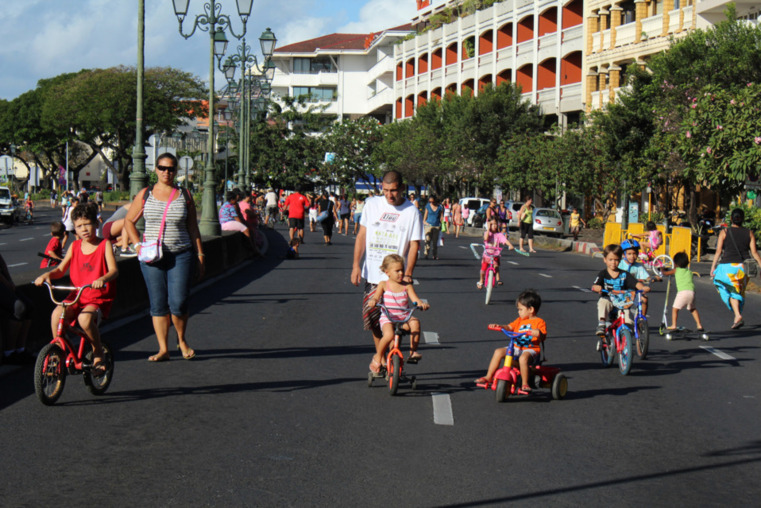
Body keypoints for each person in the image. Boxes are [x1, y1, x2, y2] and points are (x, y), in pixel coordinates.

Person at [123, 152, 204, 362]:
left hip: (181, 254)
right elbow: (129, 221)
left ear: (176, 171)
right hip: (152, 257)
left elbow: (193, 227)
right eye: (162, 168)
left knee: (178, 302)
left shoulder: (184, 195)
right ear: (155, 169)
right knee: (158, 304)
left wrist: (200, 254)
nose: (166, 172)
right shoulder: (145, 194)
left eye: (170, 169)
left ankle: (181, 339)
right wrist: (137, 245)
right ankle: (162, 349)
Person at [34, 203, 118, 373]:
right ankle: (58, 351)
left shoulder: (104, 245)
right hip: (77, 294)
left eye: (87, 224)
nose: (84, 229)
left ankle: (97, 351)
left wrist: (102, 279)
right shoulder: (74, 246)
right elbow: (60, 269)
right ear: (75, 229)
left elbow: (114, 270)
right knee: (57, 315)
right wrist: (46, 275)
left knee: (85, 320)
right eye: (79, 226)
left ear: (96, 224)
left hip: (96, 296)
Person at [352, 170, 424, 361]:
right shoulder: (372, 204)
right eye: (385, 190)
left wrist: (408, 273)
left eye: (393, 191)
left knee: (396, 318)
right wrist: (356, 266)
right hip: (374, 275)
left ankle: (390, 356)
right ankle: (382, 357)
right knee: (374, 319)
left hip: (397, 278)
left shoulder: (412, 212)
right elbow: (362, 235)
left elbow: (415, 244)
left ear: (402, 188)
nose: (389, 195)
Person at [474, 289, 546, 395]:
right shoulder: (519, 320)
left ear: (530, 309)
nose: (518, 312)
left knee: (523, 358)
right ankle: (489, 376)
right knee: (498, 352)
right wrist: (499, 326)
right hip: (517, 347)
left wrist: (537, 333)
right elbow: (509, 327)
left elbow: (543, 335)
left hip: (531, 350)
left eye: (521, 309)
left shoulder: (539, 322)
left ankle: (525, 384)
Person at [366, 254, 429, 373]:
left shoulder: (407, 286)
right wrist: (373, 301)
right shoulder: (383, 284)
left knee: (415, 322)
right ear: (387, 272)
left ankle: (412, 352)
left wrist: (421, 304)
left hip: (404, 317)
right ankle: (378, 356)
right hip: (388, 318)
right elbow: (376, 297)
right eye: (397, 271)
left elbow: (415, 299)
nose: (401, 273)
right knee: (388, 335)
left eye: (402, 270)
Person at [710, 208, 761, 329]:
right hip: (743, 269)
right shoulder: (749, 233)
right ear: (743, 219)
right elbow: (754, 253)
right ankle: (737, 315)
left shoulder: (724, 232)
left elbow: (718, 252)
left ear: (731, 219)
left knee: (726, 288)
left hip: (726, 269)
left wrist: (713, 267)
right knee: (737, 292)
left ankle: (737, 315)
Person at [592, 244, 650, 338]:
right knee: (603, 303)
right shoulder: (603, 274)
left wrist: (643, 288)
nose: (613, 262)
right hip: (608, 298)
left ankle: (625, 343)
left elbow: (635, 283)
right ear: (605, 260)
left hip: (622, 301)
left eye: (616, 260)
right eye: (610, 260)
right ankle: (602, 324)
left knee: (627, 321)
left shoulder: (624, 274)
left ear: (620, 260)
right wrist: (596, 287)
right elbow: (595, 284)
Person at [0, 253, 35, 365]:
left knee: (28, 306)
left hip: (3, 281)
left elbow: (1, 262)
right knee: (19, 307)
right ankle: (9, 353)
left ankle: (21, 349)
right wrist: (7, 283)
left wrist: (9, 280)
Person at [661, 251, 704, 332]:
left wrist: (662, 269)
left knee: (675, 309)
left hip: (682, 293)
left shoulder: (676, 270)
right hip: (692, 293)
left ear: (676, 264)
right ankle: (699, 325)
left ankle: (674, 325)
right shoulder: (689, 272)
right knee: (693, 309)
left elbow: (665, 273)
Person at [477, 217, 515, 289]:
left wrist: (510, 245)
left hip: (495, 255)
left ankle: (498, 279)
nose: (494, 226)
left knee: (496, 266)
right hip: (487, 255)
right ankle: (481, 280)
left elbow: (505, 240)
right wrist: (488, 229)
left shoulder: (499, 235)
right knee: (483, 270)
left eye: (495, 224)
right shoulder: (487, 233)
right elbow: (485, 238)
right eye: (492, 224)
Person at [219, 191, 259, 256]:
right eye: (235, 200)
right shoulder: (231, 206)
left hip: (223, 223)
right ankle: (251, 247)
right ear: (232, 200)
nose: (236, 201)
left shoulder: (225, 204)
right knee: (246, 229)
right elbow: (236, 218)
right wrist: (242, 225)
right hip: (228, 222)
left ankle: (251, 247)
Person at [619, 239, 652, 315]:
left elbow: (646, 277)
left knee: (644, 299)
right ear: (624, 254)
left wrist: (652, 279)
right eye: (629, 254)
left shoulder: (638, 266)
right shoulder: (619, 264)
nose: (632, 256)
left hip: (634, 292)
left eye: (634, 253)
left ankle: (641, 320)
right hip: (621, 292)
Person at [422, 195, 443, 260]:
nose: (431, 202)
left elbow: (441, 217)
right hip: (428, 225)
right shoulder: (428, 206)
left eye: (432, 201)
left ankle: (435, 255)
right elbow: (425, 217)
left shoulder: (440, 207)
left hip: (436, 226)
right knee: (427, 240)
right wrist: (425, 223)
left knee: (435, 241)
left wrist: (441, 224)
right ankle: (426, 254)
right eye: (430, 201)